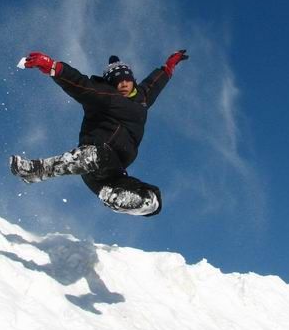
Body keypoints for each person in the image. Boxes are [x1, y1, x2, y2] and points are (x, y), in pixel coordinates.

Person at [10, 50, 189, 216]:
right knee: (97, 155)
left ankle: (116, 197)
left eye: (126, 79)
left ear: (132, 80)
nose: (123, 83)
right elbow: (81, 85)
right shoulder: (105, 95)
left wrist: (168, 67)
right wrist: (53, 67)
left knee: (152, 198)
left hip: (114, 171)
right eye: (117, 81)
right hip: (91, 158)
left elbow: (153, 84)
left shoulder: (141, 98)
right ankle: (37, 170)